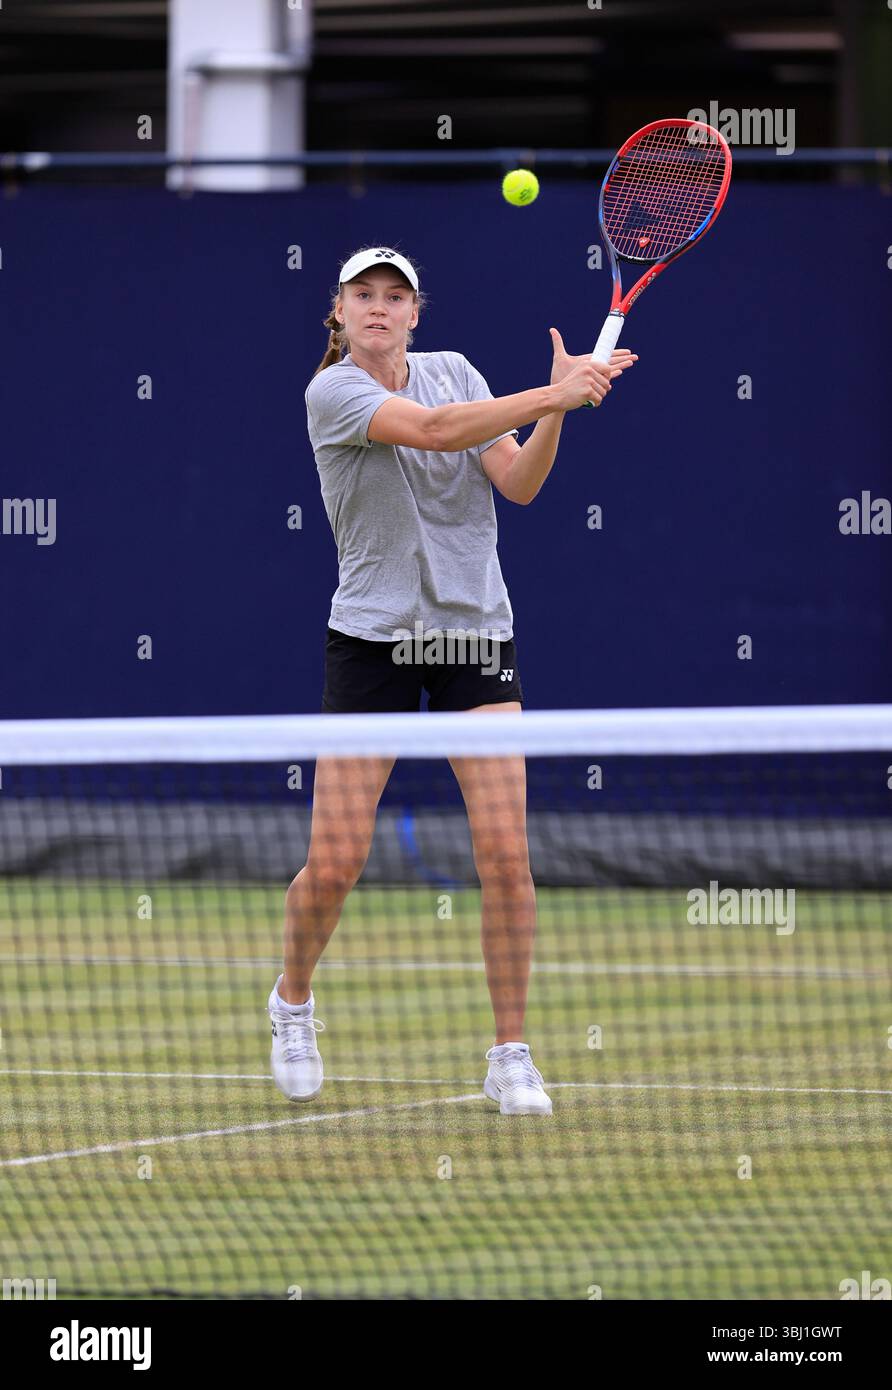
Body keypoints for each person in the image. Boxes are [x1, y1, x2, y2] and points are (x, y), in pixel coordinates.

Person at [268, 246, 636, 1115]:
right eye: (364, 295)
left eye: (396, 296)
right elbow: (432, 432)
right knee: (335, 862)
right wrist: (554, 391)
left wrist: (558, 415)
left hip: (474, 635)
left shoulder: (458, 372)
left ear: (416, 313)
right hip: (372, 641)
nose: (381, 308)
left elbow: (517, 484)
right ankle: (292, 1003)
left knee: (507, 854)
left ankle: (510, 1053)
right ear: (341, 311)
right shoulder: (334, 393)